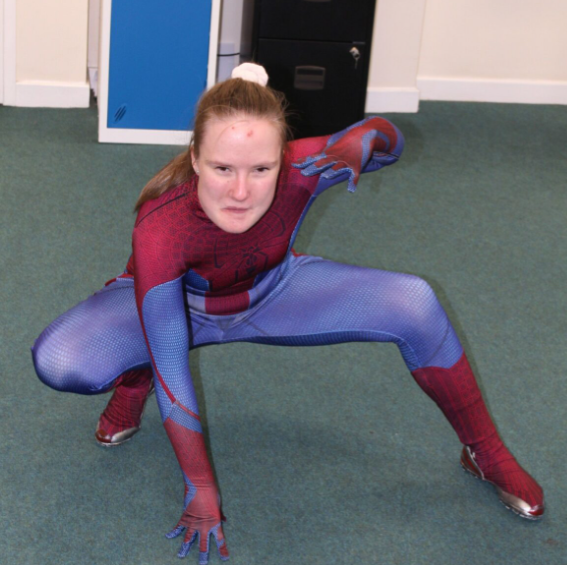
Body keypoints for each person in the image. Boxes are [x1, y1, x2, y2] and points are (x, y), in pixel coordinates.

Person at [32, 63, 544, 563]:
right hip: (172, 306)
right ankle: (131, 381)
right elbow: (173, 366)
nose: (240, 192)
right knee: (61, 361)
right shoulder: (162, 228)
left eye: (261, 169)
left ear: (282, 158)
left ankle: (485, 453)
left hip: (273, 293)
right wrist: (201, 487)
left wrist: (363, 140)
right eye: (222, 168)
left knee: (416, 302)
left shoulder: (305, 166)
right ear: (195, 159)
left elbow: (390, 140)